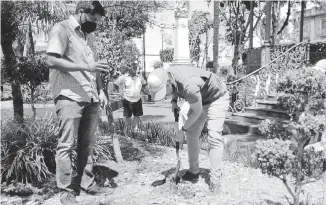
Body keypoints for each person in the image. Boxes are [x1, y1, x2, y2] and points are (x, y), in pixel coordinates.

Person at [46, 1, 112, 204]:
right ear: (81, 12)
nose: (94, 23)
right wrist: (87, 66)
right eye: (92, 19)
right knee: (66, 145)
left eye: (97, 21)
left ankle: (87, 183)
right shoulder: (62, 29)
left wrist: (101, 90)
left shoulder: (88, 36)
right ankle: (65, 192)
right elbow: (52, 61)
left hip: (91, 96)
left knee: (87, 144)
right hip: (69, 96)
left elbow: (96, 67)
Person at [147, 66, 229, 195]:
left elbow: (197, 112)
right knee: (191, 133)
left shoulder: (189, 85)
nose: (165, 95)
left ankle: (215, 182)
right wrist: (174, 101)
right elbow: (174, 89)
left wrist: (182, 129)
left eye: (164, 91)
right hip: (200, 98)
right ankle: (193, 171)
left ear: (168, 82)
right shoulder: (170, 75)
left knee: (213, 136)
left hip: (216, 98)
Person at [114, 62, 146, 133]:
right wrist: (120, 92)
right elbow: (116, 83)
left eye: (135, 68)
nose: (134, 70)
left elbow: (144, 84)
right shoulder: (124, 77)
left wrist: (141, 91)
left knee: (137, 115)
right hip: (127, 99)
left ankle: (135, 130)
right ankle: (127, 130)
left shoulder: (139, 77)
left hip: (137, 99)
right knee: (127, 116)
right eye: (132, 68)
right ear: (129, 69)